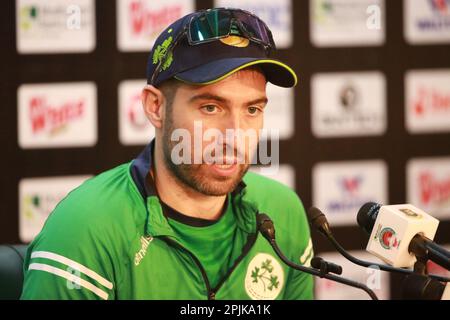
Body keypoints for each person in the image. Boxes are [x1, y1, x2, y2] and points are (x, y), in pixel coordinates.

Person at [21, 8, 314, 300]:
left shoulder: (283, 212)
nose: (235, 135)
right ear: (155, 107)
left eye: (252, 109)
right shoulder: (85, 230)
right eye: (210, 107)